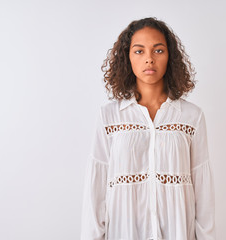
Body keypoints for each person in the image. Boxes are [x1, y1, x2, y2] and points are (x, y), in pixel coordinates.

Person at [81, 17, 216, 240]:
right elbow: (96, 192)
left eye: (158, 51)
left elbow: (203, 193)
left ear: (170, 57)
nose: (149, 59)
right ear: (127, 58)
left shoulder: (192, 117)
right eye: (139, 51)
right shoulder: (109, 117)